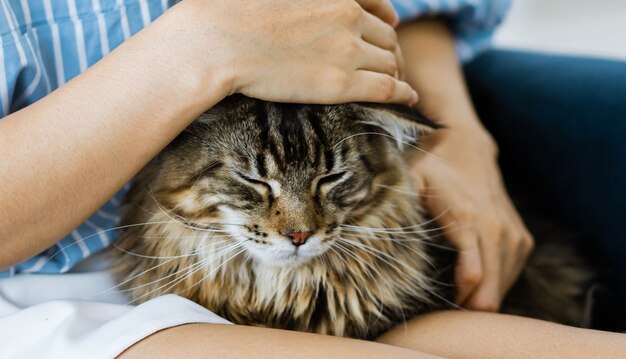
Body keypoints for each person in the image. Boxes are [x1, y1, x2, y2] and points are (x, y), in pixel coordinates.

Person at [0, 0, 624, 357]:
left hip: (348, 192)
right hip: (52, 280)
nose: (296, 228)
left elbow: (404, 8)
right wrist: (198, 49)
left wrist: (452, 138)